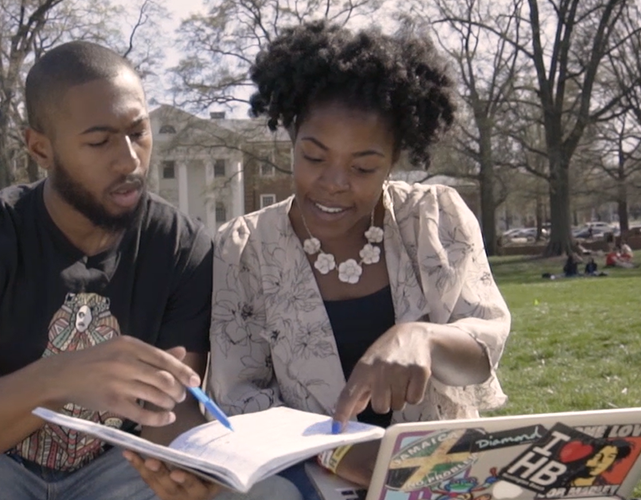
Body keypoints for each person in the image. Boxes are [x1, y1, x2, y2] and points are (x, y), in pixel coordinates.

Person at [0, 41, 299, 500]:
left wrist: (185, 465)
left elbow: (172, 411)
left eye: (139, 132)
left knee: (266, 494)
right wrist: (61, 377)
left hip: (123, 464)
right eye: (99, 141)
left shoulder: (181, 248)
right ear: (40, 148)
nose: (130, 159)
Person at [201, 21, 510, 498]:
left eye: (363, 167)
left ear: (394, 159)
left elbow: (482, 353)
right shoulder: (244, 247)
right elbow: (238, 396)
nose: (334, 182)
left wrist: (421, 337)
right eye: (314, 157)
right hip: (304, 480)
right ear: (292, 137)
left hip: (438, 477)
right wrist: (339, 453)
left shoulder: (434, 218)